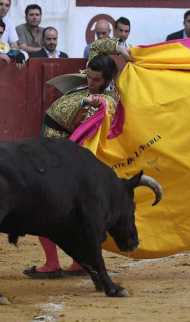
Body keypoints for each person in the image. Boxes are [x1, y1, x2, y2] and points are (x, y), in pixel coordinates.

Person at [23, 39, 130, 278]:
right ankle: (78, 262)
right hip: (53, 148)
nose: (90, 83)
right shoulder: (95, 75)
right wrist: (120, 47)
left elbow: (106, 107)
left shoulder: (107, 99)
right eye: (88, 77)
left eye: (95, 80)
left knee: (42, 208)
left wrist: (92, 100)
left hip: (60, 155)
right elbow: (97, 47)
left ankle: (52, 264)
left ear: (108, 81)